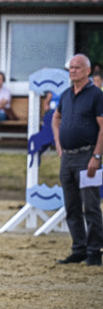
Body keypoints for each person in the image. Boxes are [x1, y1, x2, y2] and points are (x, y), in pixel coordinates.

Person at [51, 54, 103, 266]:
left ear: (88, 71)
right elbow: (56, 118)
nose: (73, 71)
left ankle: (94, 252)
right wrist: (58, 143)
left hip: (87, 156)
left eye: (77, 68)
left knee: (90, 207)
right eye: (71, 68)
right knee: (71, 206)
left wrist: (97, 156)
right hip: (68, 158)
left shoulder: (96, 95)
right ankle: (78, 249)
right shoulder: (65, 95)